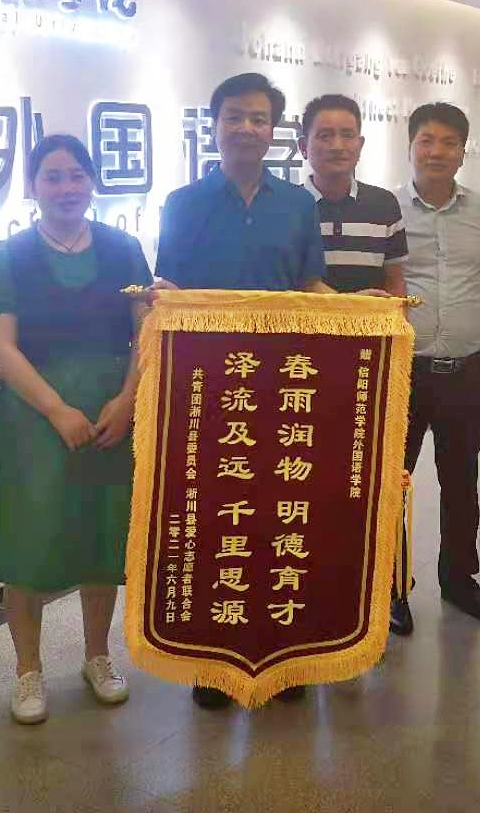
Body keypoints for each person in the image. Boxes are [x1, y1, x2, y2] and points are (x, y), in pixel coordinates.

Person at [153, 72, 330, 709]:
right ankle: (213, 661)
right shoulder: (183, 203)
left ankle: (283, 653)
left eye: (259, 118)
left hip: (286, 385)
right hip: (209, 388)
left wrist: (365, 313)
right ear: (215, 125)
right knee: (214, 519)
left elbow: (311, 286)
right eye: (235, 116)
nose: (247, 128)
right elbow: (169, 287)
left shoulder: (298, 204)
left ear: (274, 130)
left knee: (283, 516)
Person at [0, 135, 150, 725]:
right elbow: (0, 345)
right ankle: (28, 670)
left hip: (109, 414)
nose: (66, 188)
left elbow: (146, 333)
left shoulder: (124, 249)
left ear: (92, 182)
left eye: (77, 175)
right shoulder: (9, 256)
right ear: (32, 186)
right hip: (33, 419)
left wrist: (128, 399)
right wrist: (55, 409)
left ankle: (97, 656)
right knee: (27, 542)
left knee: (102, 538)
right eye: (52, 176)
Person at [393, 103, 480, 636]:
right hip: (403, 371)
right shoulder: (389, 209)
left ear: (463, 151)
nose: (436, 151)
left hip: (467, 370)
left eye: (448, 142)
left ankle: (460, 580)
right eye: (426, 140)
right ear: (411, 147)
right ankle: (390, 587)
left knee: (461, 479)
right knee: (392, 483)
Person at [298, 93, 407, 296]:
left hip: (374, 318)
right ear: (303, 147)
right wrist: (349, 305)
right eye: (325, 136)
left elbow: (395, 282)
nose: (337, 146)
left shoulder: (384, 204)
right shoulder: (290, 207)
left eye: (347, 135)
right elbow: (292, 285)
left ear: (360, 144)